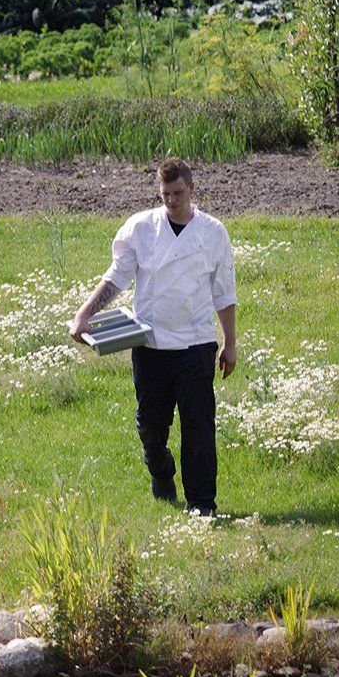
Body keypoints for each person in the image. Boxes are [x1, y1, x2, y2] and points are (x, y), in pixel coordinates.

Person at [69, 156, 236, 516]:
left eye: (178, 193)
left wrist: (230, 343)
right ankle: (161, 469)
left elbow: (224, 293)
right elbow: (116, 278)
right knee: (150, 427)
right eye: (165, 194)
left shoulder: (213, 232)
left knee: (199, 429)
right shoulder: (141, 228)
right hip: (151, 344)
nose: (172, 201)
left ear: (191, 189)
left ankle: (201, 505)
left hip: (196, 344)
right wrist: (83, 316)